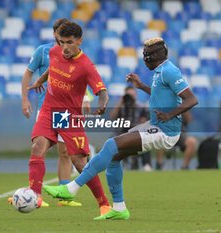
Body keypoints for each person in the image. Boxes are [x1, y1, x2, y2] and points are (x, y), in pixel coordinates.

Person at [43, 37, 198, 220]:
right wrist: (140, 86)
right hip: (155, 125)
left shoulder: (170, 71)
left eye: (146, 55)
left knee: (111, 145)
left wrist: (170, 114)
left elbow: (192, 99)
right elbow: (162, 93)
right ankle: (119, 208)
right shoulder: (160, 71)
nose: (144, 59)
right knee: (114, 157)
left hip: (166, 131)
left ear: (155, 56)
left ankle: (72, 188)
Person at [27, 21, 112, 216]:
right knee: (37, 147)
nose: (64, 47)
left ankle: (104, 204)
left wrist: (103, 104)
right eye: (61, 42)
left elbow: (102, 90)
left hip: (69, 116)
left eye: (69, 42)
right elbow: (54, 67)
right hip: (49, 110)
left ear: (79, 41)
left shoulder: (86, 66)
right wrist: (40, 79)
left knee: (79, 162)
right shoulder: (54, 52)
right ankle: (35, 197)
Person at [20, 18, 84, 207]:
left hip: (65, 110)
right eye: (59, 33)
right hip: (46, 107)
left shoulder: (73, 52)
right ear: (55, 33)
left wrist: (86, 98)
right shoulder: (43, 51)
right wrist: (25, 100)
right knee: (39, 148)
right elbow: (28, 74)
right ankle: (34, 195)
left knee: (65, 152)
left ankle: (64, 196)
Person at [110, 86, 152, 171]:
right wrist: (121, 101)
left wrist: (132, 126)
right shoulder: (121, 107)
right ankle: (111, 165)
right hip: (122, 133)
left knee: (147, 139)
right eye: (128, 95)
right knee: (110, 142)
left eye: (132, 95)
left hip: (137, 132)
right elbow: (112, 116)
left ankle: (146, 164)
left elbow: (144, 122)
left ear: (135, 96)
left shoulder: (141, 106)